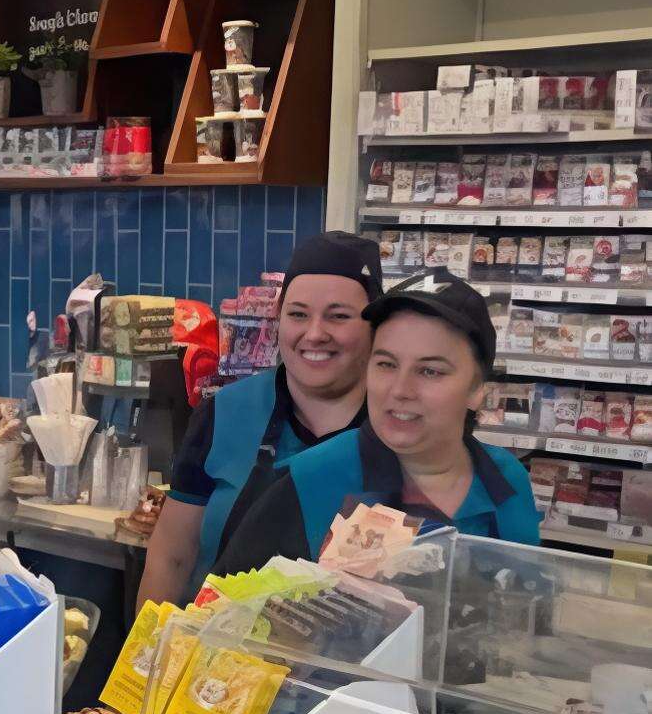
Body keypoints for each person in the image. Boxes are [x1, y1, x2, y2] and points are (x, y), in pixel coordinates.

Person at [217, 267, 541, 572]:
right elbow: (221, 611)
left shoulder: (507, 481)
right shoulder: (311, 481)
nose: (400, 390)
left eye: (430, 371)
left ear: (477, 389)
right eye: (386, 364)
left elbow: (526, 612)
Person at [136, 232, 383, 607]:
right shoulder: (226, 413)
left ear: (375, 328)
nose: (314, 334)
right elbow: (171, 556)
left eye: (339, 317)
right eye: (298, 314)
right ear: (278, 321)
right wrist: (146, 661)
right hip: (212, 655)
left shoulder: (395, 431)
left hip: (342, 662)